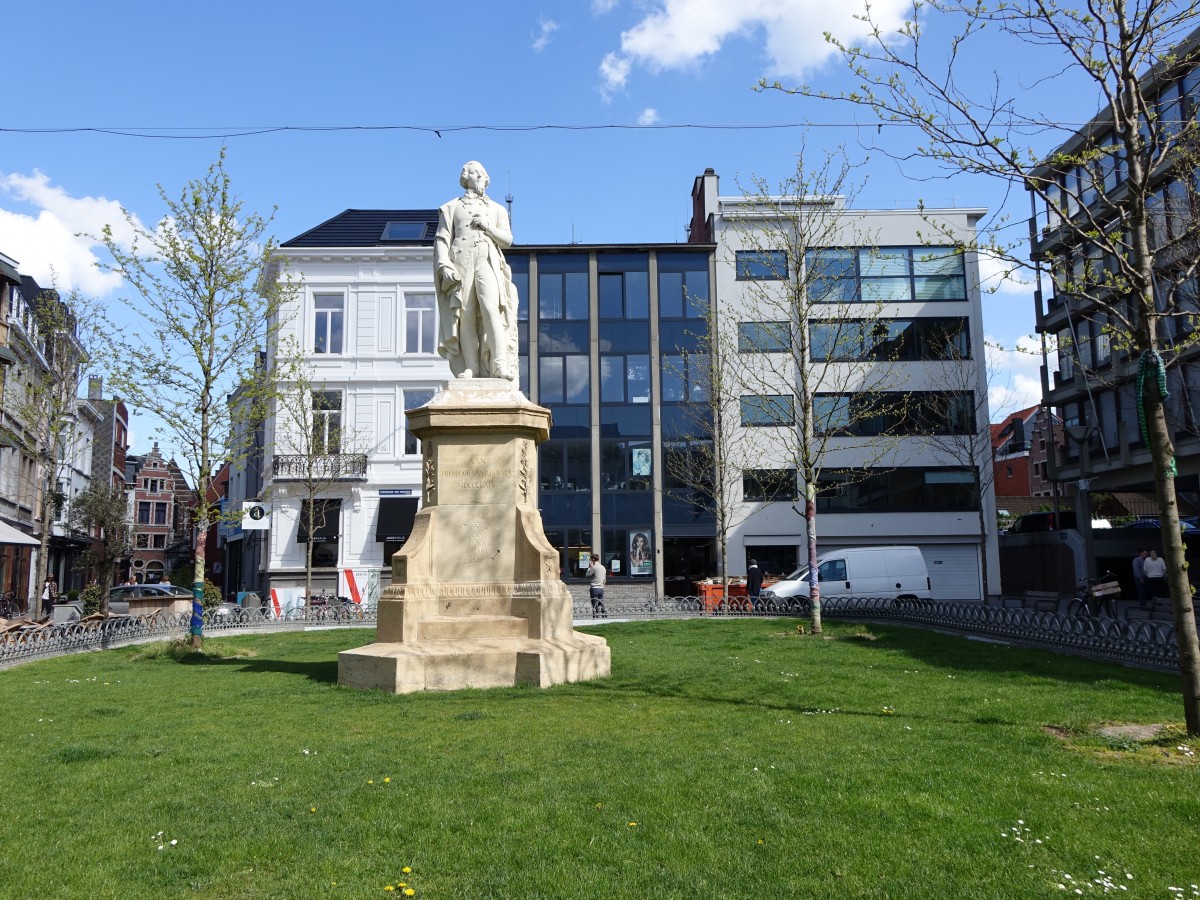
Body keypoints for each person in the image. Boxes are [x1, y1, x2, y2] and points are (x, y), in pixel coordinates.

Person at [433, 161, 520, 382]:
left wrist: (488, 227)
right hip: (461, 260)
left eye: (482, 174)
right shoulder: (451, 207)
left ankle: (500, 364)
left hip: (487, 258)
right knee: (465, 314)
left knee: (492, 308)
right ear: (465, 177)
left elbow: (508, 240)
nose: (479, 177)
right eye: (474, 173)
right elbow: (442, 240)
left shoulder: (497, 209)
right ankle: (471, 367)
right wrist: (444, 265)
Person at [586, 551, 606, 618]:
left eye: (591, 559)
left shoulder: (594, 567)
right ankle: (604, 613)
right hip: (601, 588)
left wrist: (589, 567)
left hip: (594, 587)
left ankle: (595, 615)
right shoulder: (603, 567)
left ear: (593, 560)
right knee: (601, 601)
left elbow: (587, 575)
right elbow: (604, 579)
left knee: (594, 602)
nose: (590, 561)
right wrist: (603, 585)